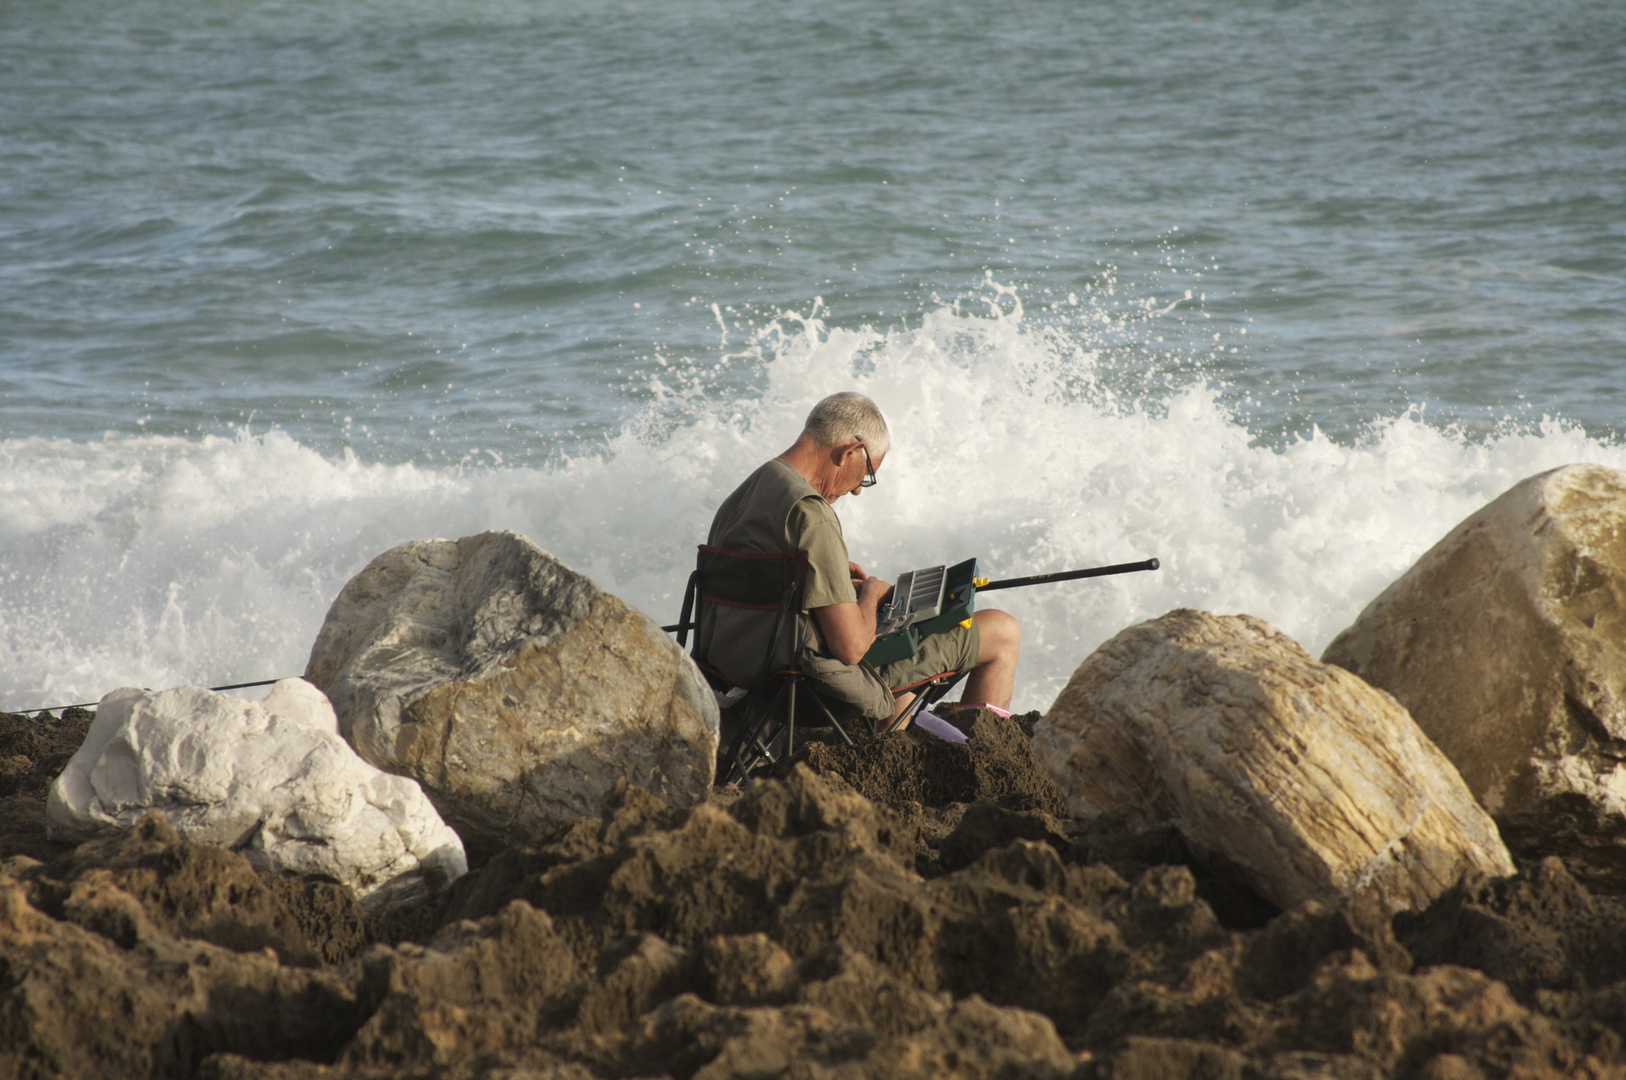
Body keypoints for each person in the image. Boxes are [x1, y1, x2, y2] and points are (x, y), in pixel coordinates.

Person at [694, 391, 1020, 731]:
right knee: (1002, 629)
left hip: (738, 676)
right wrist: (872, 594)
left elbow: (761, 586)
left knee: (895, 654)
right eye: (867, 474)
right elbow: (850, 648)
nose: (858, 491)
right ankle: (980, 757)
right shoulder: (811, 515)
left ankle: (905, 735)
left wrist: (824, 582)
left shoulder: (744, 495)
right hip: (805, 686)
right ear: (850, 451)